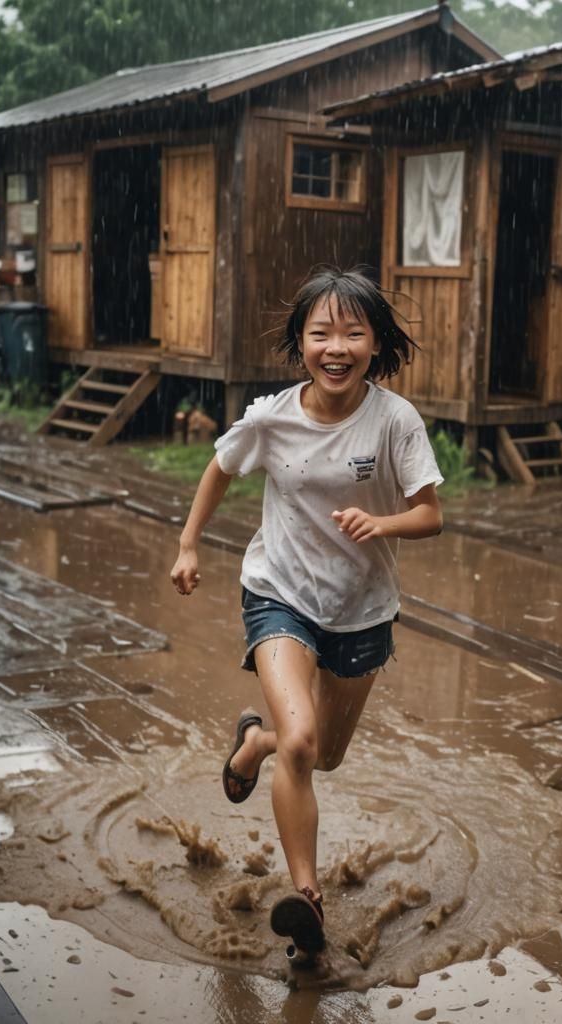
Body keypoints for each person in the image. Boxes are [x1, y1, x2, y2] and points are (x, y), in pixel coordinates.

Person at [170, 267, 443, 958]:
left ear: (375, 343)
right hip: (279, 594)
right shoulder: (271, 418)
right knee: (302, 739)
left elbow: (430, 516)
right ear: (301, 345)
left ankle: (253, 742)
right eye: (321, 332)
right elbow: (221, 467)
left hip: (362, 608)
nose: (337, 347)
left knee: (322, 754)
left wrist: (382, 525)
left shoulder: (394, 420)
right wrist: (188, 543)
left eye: (354, 332)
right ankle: (306, 896)